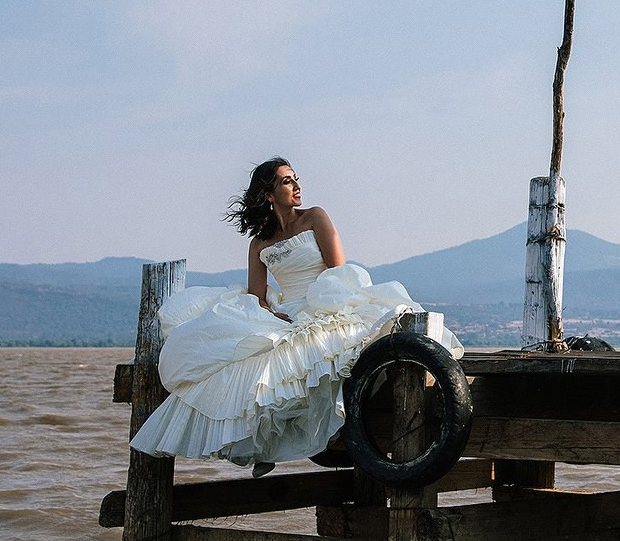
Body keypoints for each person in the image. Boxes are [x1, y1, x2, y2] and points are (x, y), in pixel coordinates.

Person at [129, 157, 462, 473]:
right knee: (259, 372)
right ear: (268, 194)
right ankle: (261, 446)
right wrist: (273, 316)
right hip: (289, 313)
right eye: (287, 181)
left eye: (295, 179)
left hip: (329, 298)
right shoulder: (260, 243)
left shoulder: (315, 217)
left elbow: (338, 270)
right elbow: (256, 297)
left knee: (308, 359)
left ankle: (298, 435)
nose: (296, 186)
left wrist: (320, 307)